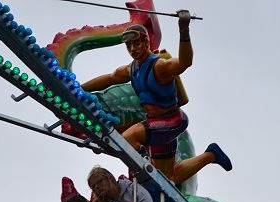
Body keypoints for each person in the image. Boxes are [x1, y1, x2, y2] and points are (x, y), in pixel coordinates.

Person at [81, 12, 232, 184]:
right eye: (128, 45)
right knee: (168, 178)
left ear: (146, 42)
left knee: (127, 138)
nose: (132, 49)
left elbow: (184, 63)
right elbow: (109, 78)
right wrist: (79, 88)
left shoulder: (159, 66)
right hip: (156, 125)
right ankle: (211, 155)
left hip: (172, 120)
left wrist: (184, 30)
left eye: (136, 43)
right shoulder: (131, 69)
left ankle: (143, 156)